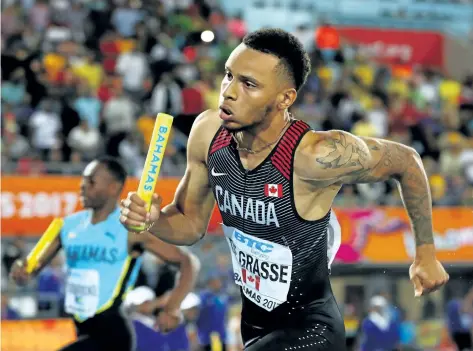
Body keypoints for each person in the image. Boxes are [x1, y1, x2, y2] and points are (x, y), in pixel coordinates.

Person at [120, 28, 449, 350]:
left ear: (285, 98)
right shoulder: (208, 133)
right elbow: (190, 224)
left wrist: (426, 252)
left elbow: (407, 161)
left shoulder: (315, 155)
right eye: (228, 76)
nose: (229, 92)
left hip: (311, 330)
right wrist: (153, 220)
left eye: (249, 84)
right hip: (254, 328)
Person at [10, 156, 200, 351]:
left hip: (113, 334)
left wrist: (172, 307)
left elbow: (188, 262)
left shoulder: (130, 229)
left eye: (91, 181)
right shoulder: (67, 226)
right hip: (81, 328)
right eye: (83, 180)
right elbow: (28, 269)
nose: (83, 186)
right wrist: (21, 271)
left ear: (113, 187)